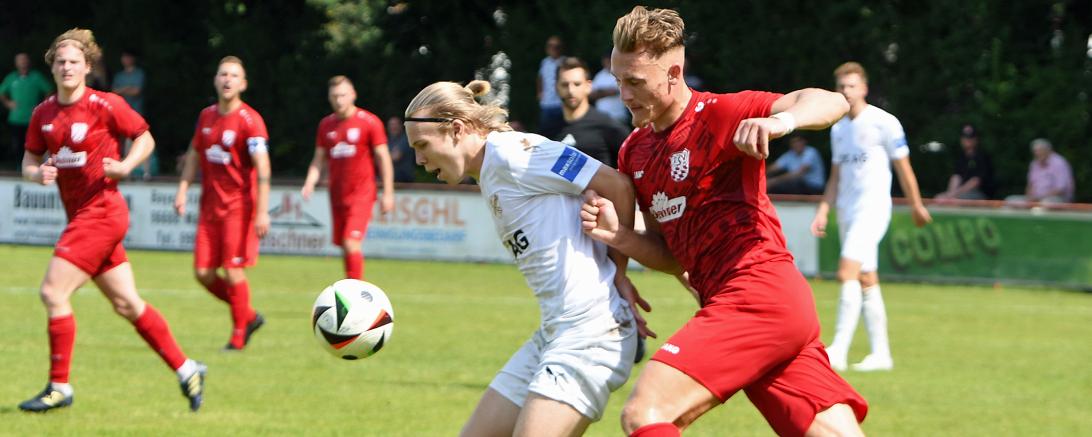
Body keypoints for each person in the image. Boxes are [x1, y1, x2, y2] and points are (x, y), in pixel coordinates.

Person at [581, 7, 867, 436]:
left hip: (757, 293)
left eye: (635, 82)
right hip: (763, 307)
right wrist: (620, 236)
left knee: (646, 413)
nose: (624, 94)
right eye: (619, 80)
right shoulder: (634, 151)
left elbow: (833, 101)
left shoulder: (721, 113)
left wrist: (780, 121)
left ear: (673, 73)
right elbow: (672, 258)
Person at [404, 80, 645, 436]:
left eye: (422, 145)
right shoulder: (490, 170)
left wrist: (618, 272)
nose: (419, 159)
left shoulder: (515, 154)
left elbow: (618, 185)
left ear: (457, 129)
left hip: (591, 333)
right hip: (554, 334)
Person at [18, 28, 205, 413]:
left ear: (87, 67)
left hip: (102, 212)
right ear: (52, 66)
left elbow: (145, 139)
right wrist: (38, 174)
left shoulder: (105, 104)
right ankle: (187, 369)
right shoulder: (43, 113)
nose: (67, 67)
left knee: (53, 293)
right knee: (127, 304)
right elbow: (29, 162)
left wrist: (125, 166)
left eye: (74, 61)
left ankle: (60, 387)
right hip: (84, 216)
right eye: (61, 61)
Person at [811, 61, 932, 374]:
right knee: (866, 278)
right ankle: (881, 354)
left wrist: (916, 205)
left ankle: (837, 348)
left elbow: (904, 168)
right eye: (841, 86)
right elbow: (836, 176)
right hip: (847, 211)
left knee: (846, 273)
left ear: (864, 88)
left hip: (873, 209)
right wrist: (824, 209)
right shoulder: (838, 129)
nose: (847, 92)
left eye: (852, 86)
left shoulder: (884, 122)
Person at [174, 56, 269, 351]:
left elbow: (263, 169)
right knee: (203, 273)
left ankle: (239, 334)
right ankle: (249, 315)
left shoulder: (250, 121)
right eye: (223, 74)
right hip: (209, 207)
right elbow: (193, 154)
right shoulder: (206, 117)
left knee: (233, 270)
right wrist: (183, 188)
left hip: (238, 208)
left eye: (234, 75)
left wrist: (262, 211)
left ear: (243, 84)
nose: (227, 79)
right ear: (216, 80)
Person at [301, 76, 395, 280]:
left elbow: (383, 157)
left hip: (362, 193)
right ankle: (351, 284)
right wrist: (310, 182)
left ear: (353, 95)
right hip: (337, 194)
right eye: (335, 96)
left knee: (351, 241)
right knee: (344, 244)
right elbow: (319, 159)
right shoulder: (326, 125)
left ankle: (355, 290)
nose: (339, 100)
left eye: (343, 95)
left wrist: (388, 192)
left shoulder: (369, 122)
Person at [555, 56, 631, 168]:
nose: (571, 91)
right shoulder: (548, 127)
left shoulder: (608, 125)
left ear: (588, 86)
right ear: (556, 87)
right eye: (565, 85)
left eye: (577, 84)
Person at [0, 52, 53, 164]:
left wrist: (41, 105)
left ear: (28, 61)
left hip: (32, 119)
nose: (22, 62)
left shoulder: (36, 76)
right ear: (16, 63)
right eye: (20, 60)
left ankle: (33, 165)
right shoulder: (11, 77)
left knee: (33, 144)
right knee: (17, 145)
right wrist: (8, 102)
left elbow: (49, 90)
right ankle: (19, 167)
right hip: (16, 118)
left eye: (24, 59)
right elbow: (1, 92)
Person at [111, 49, 156, 180]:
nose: (125, 59)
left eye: (128, 57)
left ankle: (146, 172)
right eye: (123, 57)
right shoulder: (119, 75)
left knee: (142, 139)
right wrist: (127, 88)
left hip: (137, 112)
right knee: (123, 144)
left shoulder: (139, 73)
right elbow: (114, 92)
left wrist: (122, 90)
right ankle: (127, 172)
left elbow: (136, 91)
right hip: (121, 113)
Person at [1005, 138, 1074, 205]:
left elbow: (1061, 189)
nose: (1037, 153)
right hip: (1035, 199)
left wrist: (1039, 198)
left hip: (1058, 199)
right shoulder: (1034, 163)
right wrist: (1030, 198)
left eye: (1040, 150)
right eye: (1035, 151)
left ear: (1048, 150)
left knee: (1046, 203)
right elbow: (1030, 185)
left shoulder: (1059, 163)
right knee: (1010, 200)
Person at [936, 124, 994, 201]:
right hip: (961, 193)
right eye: (965, 137)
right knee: (939, 198)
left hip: (980, 194)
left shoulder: (982, 157)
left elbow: (976, 181)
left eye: (970, 138)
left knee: (954, 201)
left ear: (976, 139)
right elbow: (956, 176)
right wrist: (950, 194)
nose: (967, 140)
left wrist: (953, 195)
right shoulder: (961, 157)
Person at [590, 51, 630, 126]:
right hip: (601, 118)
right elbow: (591, 94)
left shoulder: (620, 73)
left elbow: (616, 91)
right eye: (605, 61)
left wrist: (600, 92)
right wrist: (605, 92)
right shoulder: (599, 75)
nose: (606, 63)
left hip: (618, 116)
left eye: (608, 61)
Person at [536, 35, 565, 139]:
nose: (553, 48)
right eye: (550, 46)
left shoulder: (564, 62)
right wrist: (539, 92)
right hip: (546, 103)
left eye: (556, 46)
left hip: (561, 103)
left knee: (562, 133)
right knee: (546, 133)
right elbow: (540, 78)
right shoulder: (544, 62)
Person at [387, 115, 416, 183]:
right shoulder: (387, 140)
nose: (393, 127)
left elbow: (395, 157)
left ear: (401, 126)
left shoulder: (406, 139)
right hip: (390, 178)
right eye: (391, 124)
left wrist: (381, 158)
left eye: (395, 124)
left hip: (404, 179)